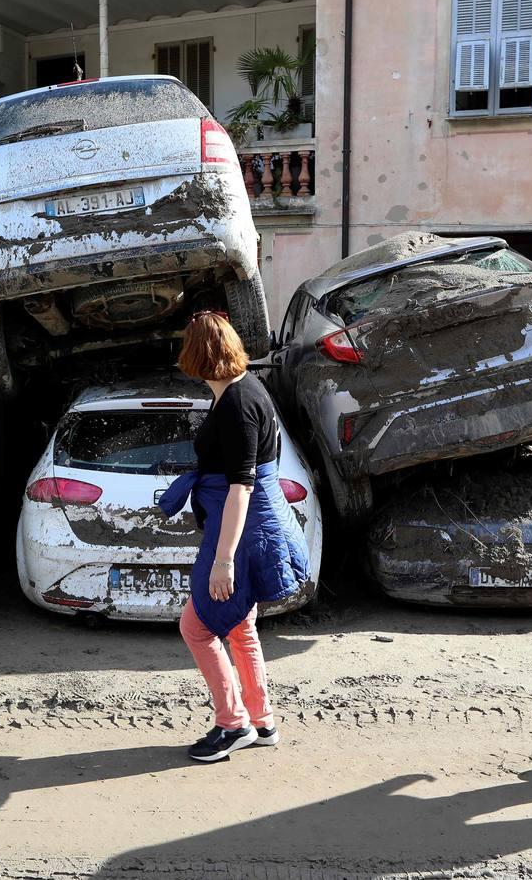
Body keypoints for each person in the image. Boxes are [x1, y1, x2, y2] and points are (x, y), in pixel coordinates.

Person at [158, 310, 311, 763]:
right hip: (244, 525)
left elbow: (242, 486)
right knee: (241, 625)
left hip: (240, 532)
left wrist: (224, 560)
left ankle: (233, 724)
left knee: (197, 626)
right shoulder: (244, 390)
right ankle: (261, 720)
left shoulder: (239, 404)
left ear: (196, 355)